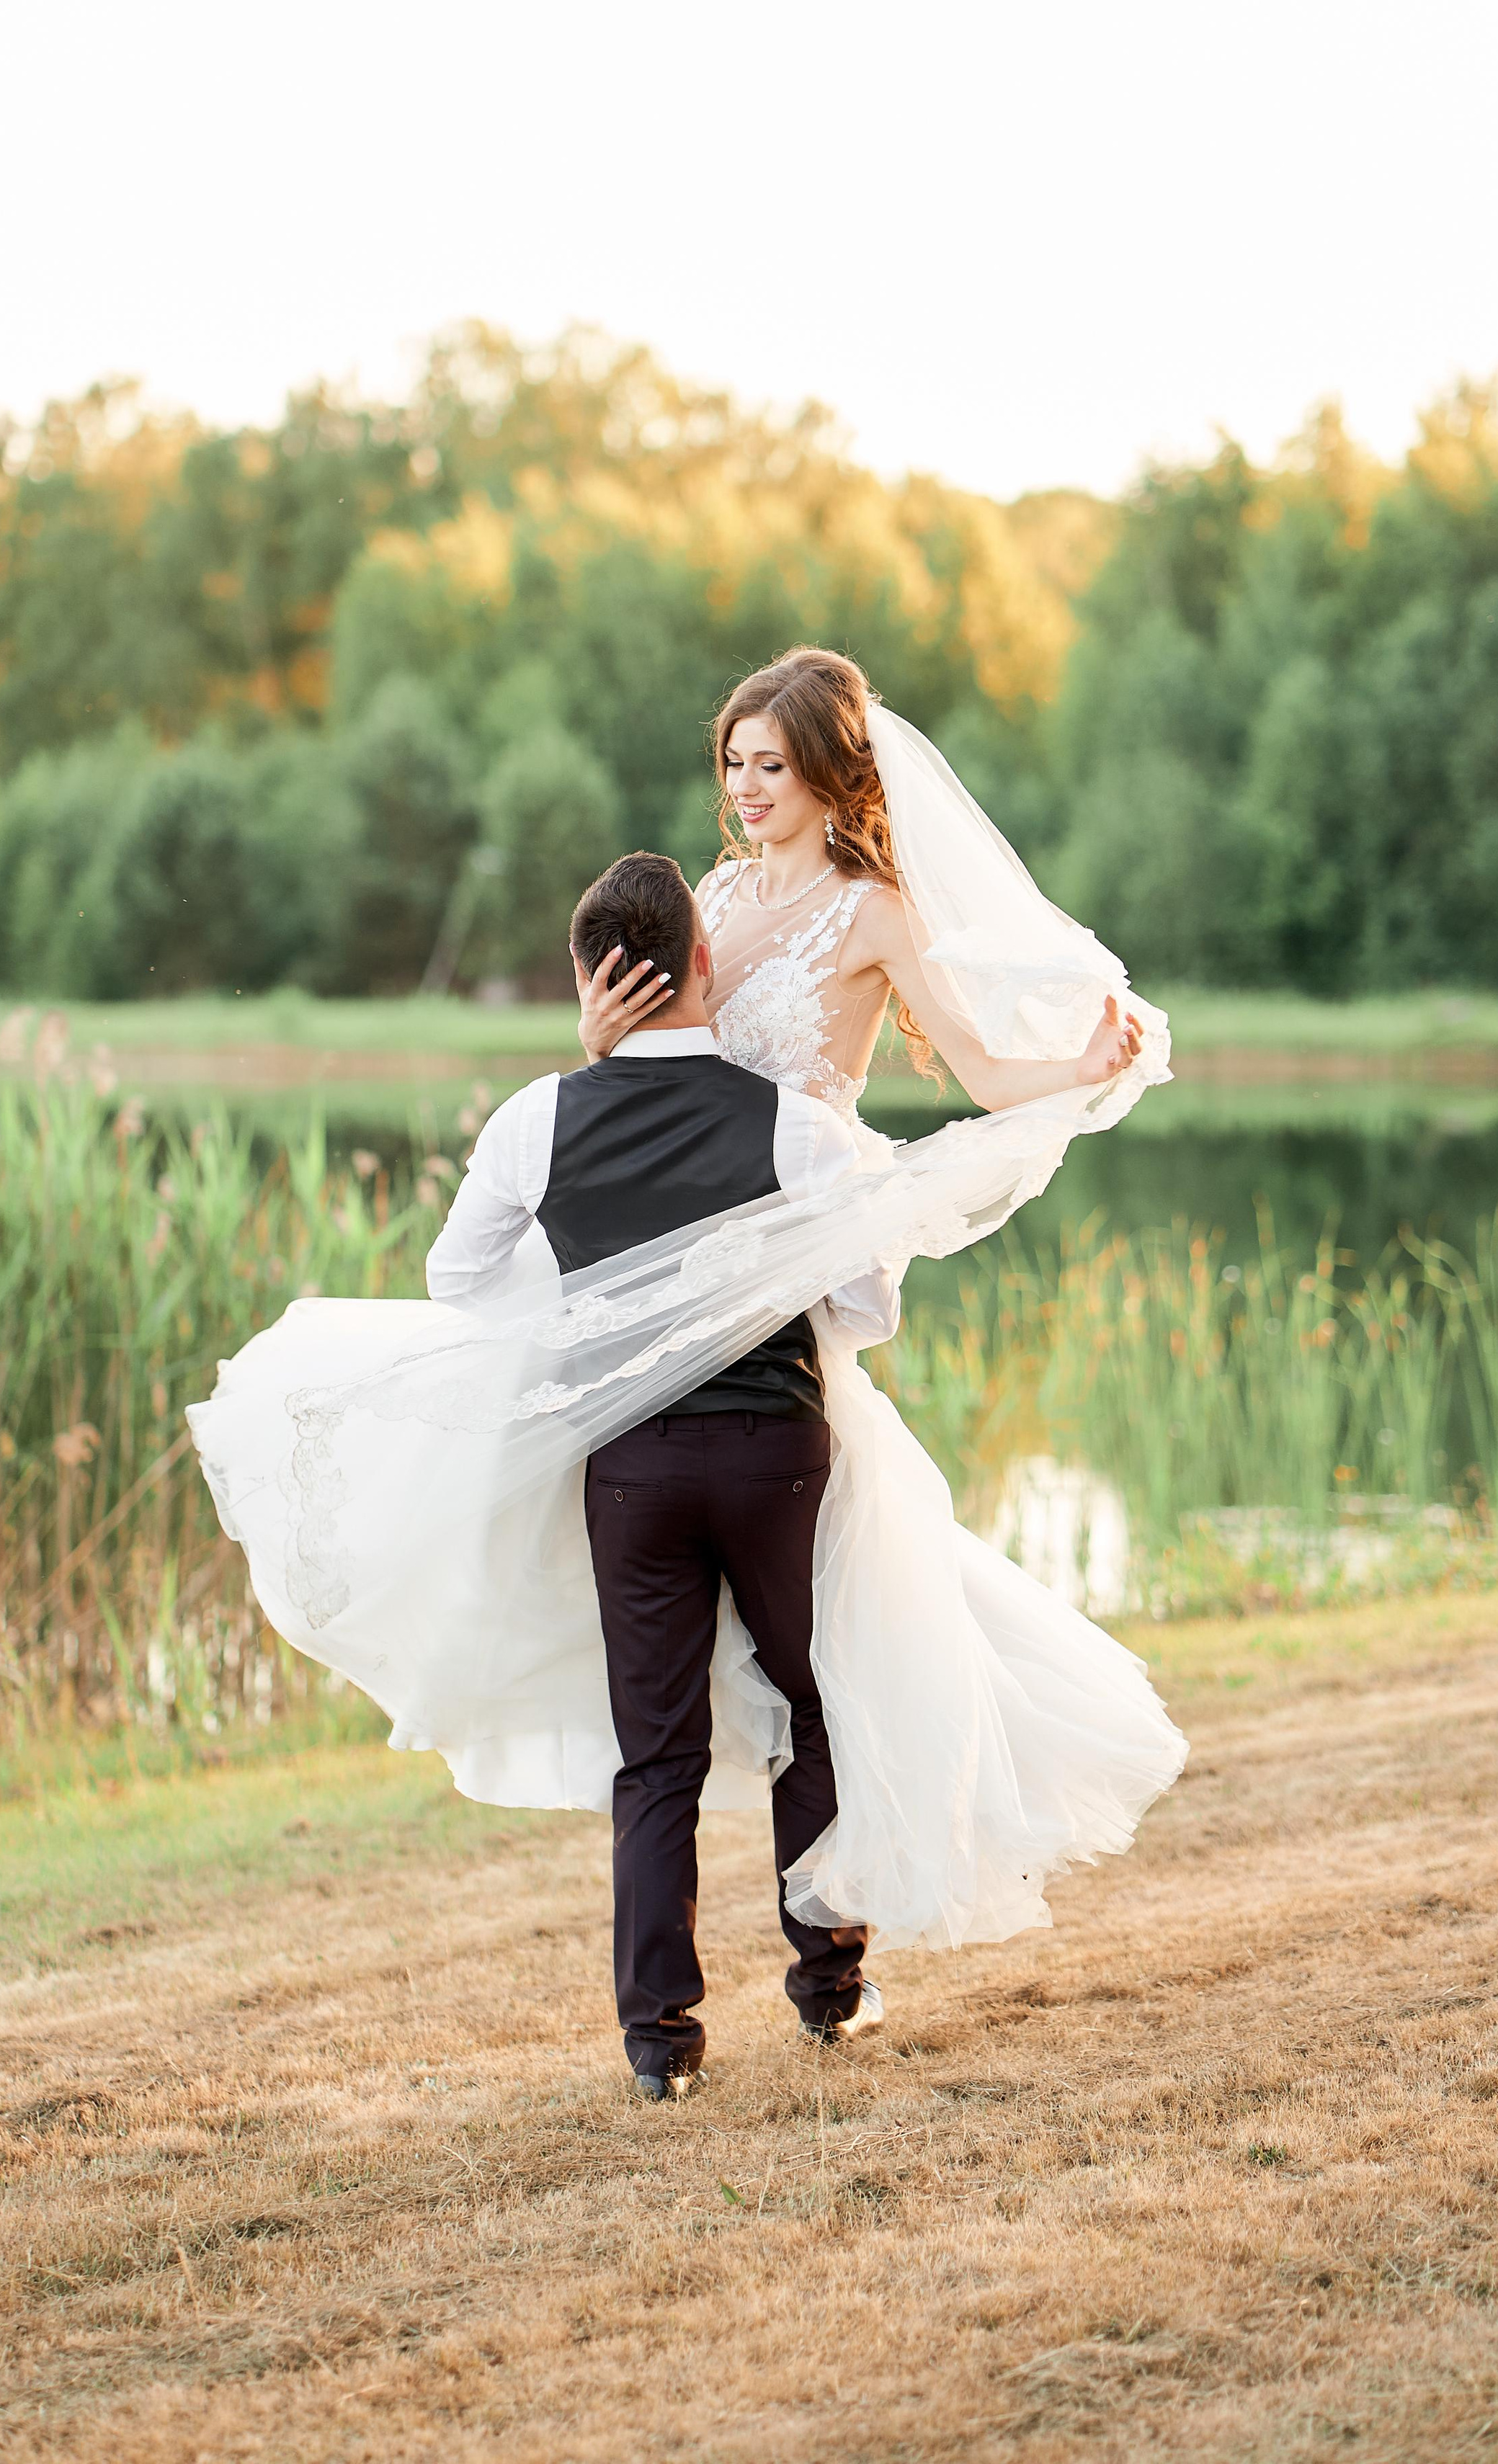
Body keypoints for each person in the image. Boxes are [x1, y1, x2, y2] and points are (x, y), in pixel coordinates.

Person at [187, 646, 1186, 2103]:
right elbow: (649, 1085)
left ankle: (804, 1973)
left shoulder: (873, 909)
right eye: (730, 762)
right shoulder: (709, 905)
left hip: (784, 1297)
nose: (743, 789)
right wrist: (589, 1050)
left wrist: (1085, 1070)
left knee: (824, 1665)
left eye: (769, 765)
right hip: (697, 1297)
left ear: (834, 774)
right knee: (730, 1681)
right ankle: (770, 1987)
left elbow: (970, 1072)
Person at [427, 849, 898, 2097]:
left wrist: (600, 1291)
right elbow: (867, 1302)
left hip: (630, 1466)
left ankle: (661, 2043)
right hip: (777, 1455)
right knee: (812, 1713)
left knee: (657, 1751)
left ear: (590, 983)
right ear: (704, 965)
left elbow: (456, 1283)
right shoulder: (797, 1125)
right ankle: (829, 1988)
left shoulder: (539, 1117)